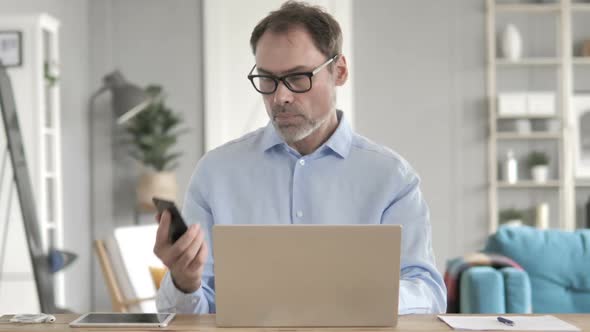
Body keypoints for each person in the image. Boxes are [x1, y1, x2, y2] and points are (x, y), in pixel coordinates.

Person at [154, 0, 446, 314]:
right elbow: (190, 315)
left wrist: (357, 298)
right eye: (267, 79)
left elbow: (427, 292)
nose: (281, 97)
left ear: (340, 71)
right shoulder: (215, 173)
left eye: (297, 78)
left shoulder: (391, 178)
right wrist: (184, 282)